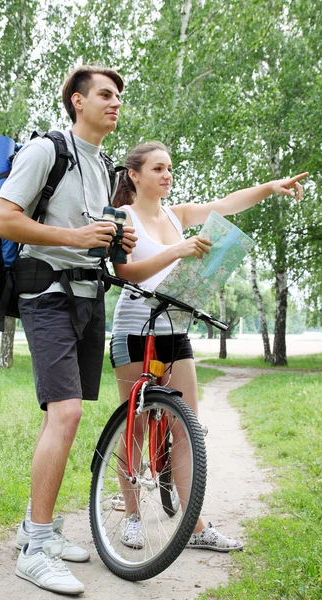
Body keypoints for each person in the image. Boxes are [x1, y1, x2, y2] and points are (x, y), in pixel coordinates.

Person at [110, 141, 307, 552]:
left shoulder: (175, 214)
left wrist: (271, 186)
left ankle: (195, 527)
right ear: (135, 174)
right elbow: (125, 271)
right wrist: (177, 250)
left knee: (186, 428)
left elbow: (227, 204)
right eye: (158, 168)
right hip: (134, 329)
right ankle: (131, 517)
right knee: (137, 426)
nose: (167, 175)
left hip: (175, 328)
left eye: (170, 168)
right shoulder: (124, 217)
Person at [0, 65, 137, 595]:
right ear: (77, 101)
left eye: (119, 95)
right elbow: (2, 221)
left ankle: (43, 531)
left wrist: (114, 241)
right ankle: (33, 548)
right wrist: (77, 236)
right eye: (105, 94)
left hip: (87, 296)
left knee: (67, 416)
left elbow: (91, 236)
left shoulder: (103, 167)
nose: (115, 102)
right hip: (46, 292)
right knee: (66, 411)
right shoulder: (45, 151)